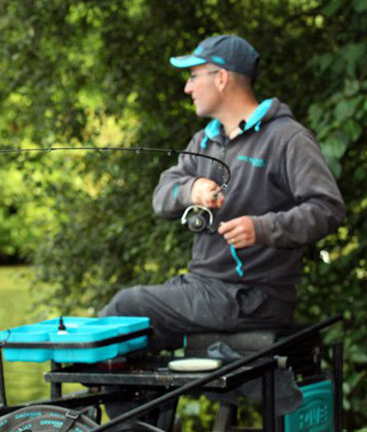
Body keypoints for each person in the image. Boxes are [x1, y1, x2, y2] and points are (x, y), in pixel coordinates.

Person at [100, 34, 345, 351]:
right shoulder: (204, 142)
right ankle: (139, 403)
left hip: (253, 297)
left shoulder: (287, 138)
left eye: (193, 76)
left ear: (221, 78)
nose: (187, 88)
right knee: (135, 338)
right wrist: (192, 189)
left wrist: (262, 229)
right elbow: (161, 198)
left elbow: (327, 210)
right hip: (206, 289)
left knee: (125, 307)